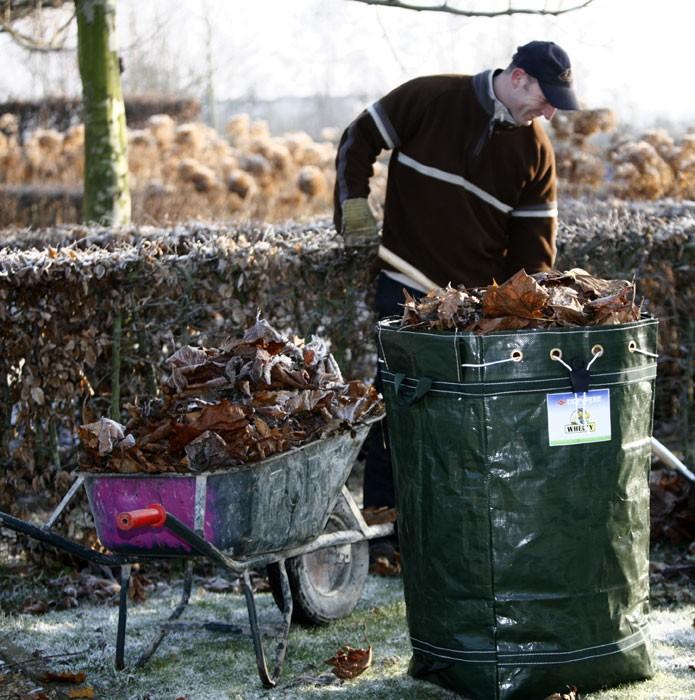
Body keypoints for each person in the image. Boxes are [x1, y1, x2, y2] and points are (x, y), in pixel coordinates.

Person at [333, 40, 579, 560]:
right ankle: (384, 532)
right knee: (396, 406)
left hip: (473, 310)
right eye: (546, 97)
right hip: (404, 281)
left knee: (466, 422)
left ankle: (452, 534)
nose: (551, 111)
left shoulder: (536, 152)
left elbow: (535, 252)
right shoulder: (430, 97)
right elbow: (358, 138)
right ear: (517, 79)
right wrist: (353, 203)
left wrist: (521, 312)